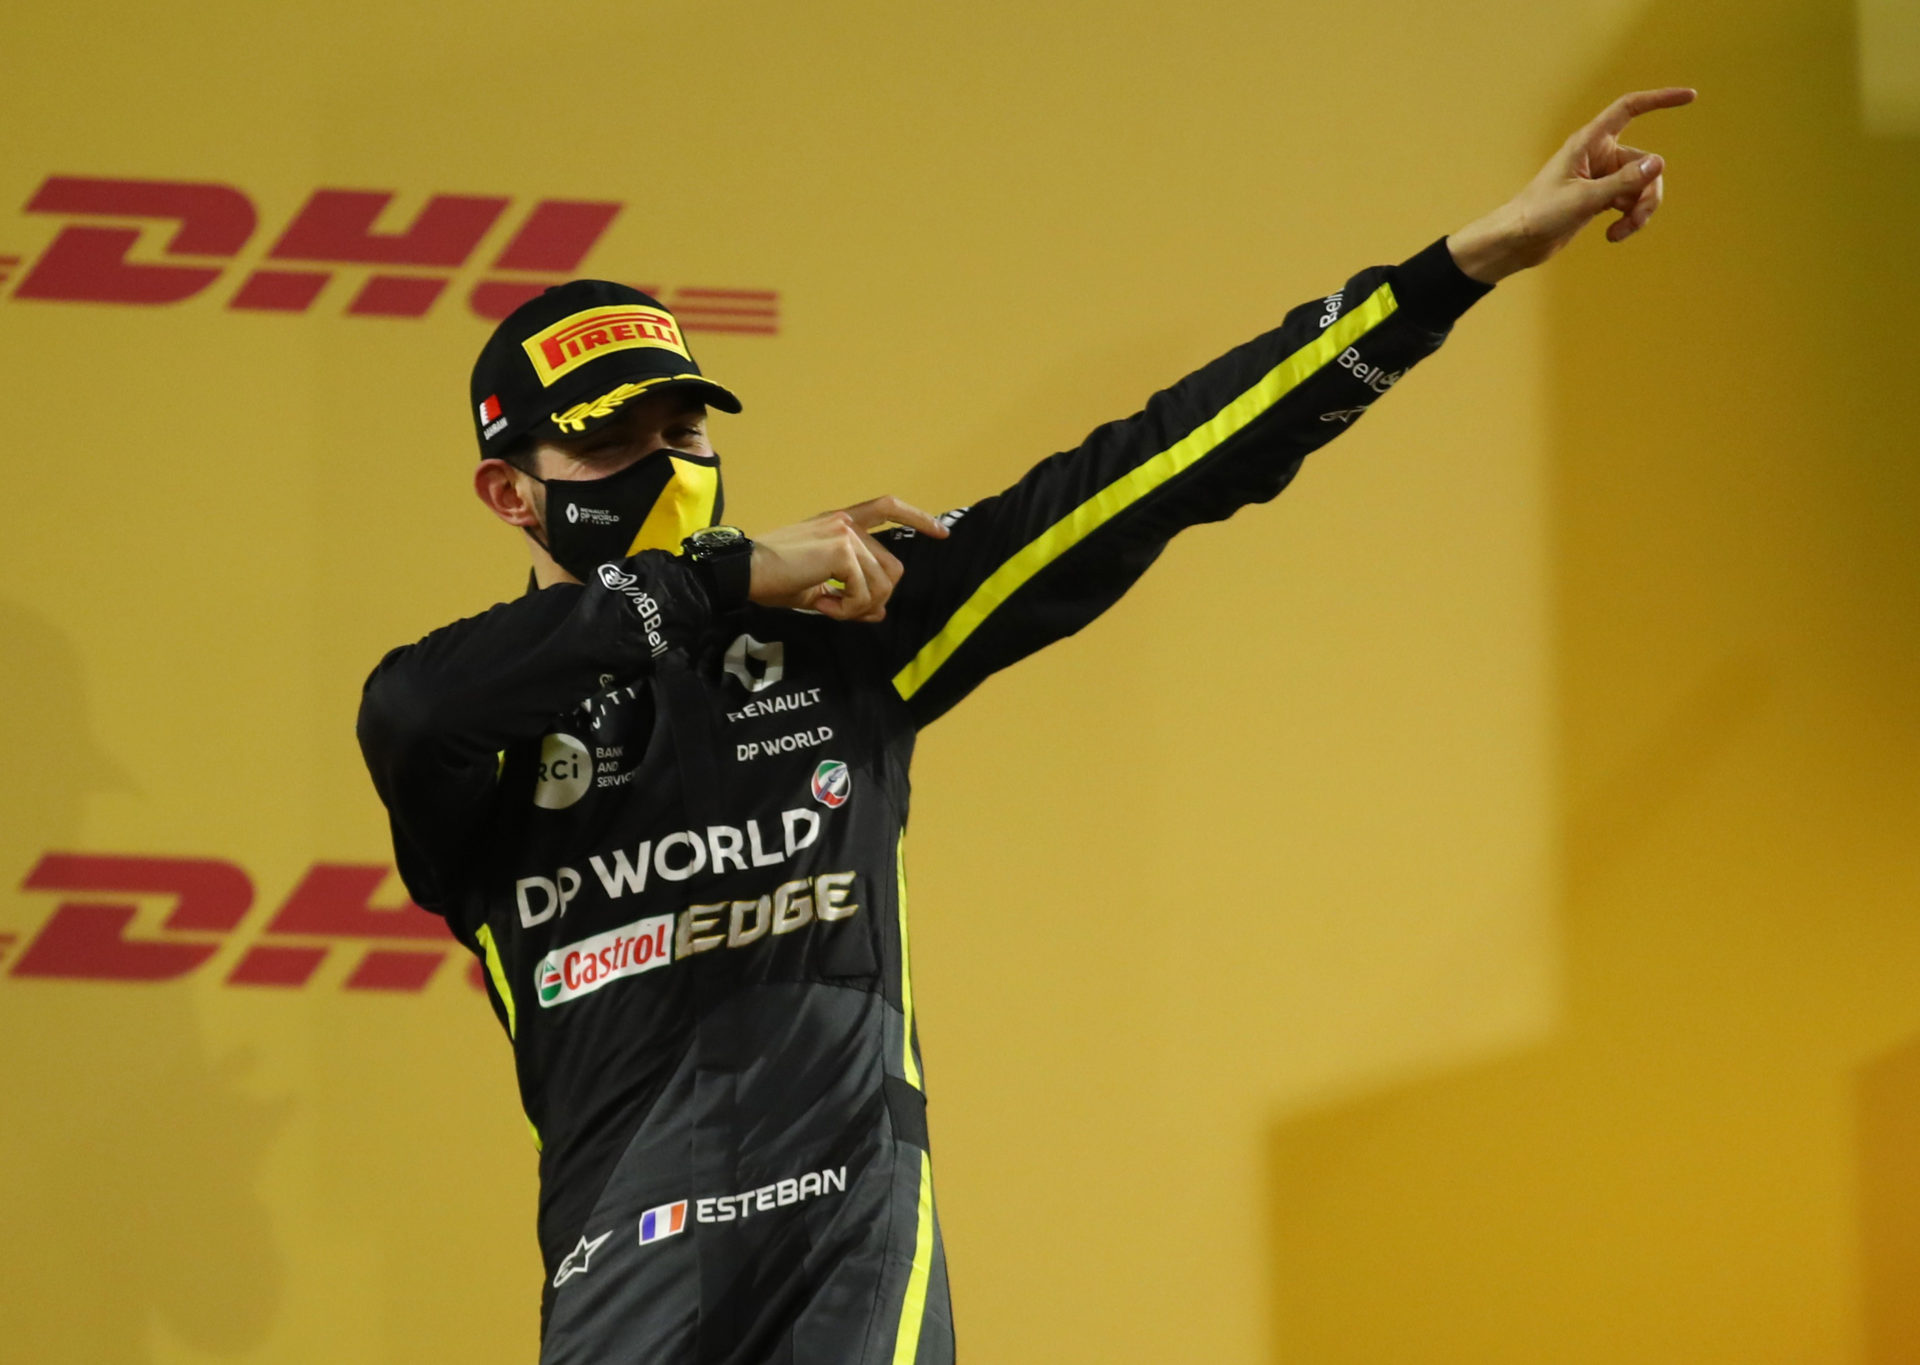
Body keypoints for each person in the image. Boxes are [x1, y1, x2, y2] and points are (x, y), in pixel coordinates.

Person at [357, 88, 1694, 1365]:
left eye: (685, 424)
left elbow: (1162, 466)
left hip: (843, 1243)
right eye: (613, 445)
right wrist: (724, 575)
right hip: (621, 1272)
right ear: (508, 493)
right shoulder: (472, 735)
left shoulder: (845, 628)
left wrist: (1457, 268)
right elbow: (413, 704)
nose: (670, 464)